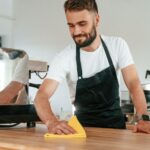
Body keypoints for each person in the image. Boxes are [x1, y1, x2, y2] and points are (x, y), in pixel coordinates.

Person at [34, 0, 150, 134]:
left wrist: (143, 118)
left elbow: (133, 84)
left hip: (117, 132)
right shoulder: (64, 57)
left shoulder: (117, 45)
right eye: (71, 25)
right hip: (82, 133)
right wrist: (51, 121)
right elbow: (41, 96)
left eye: (82, 24)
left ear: (97, 20)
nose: (76, 31)